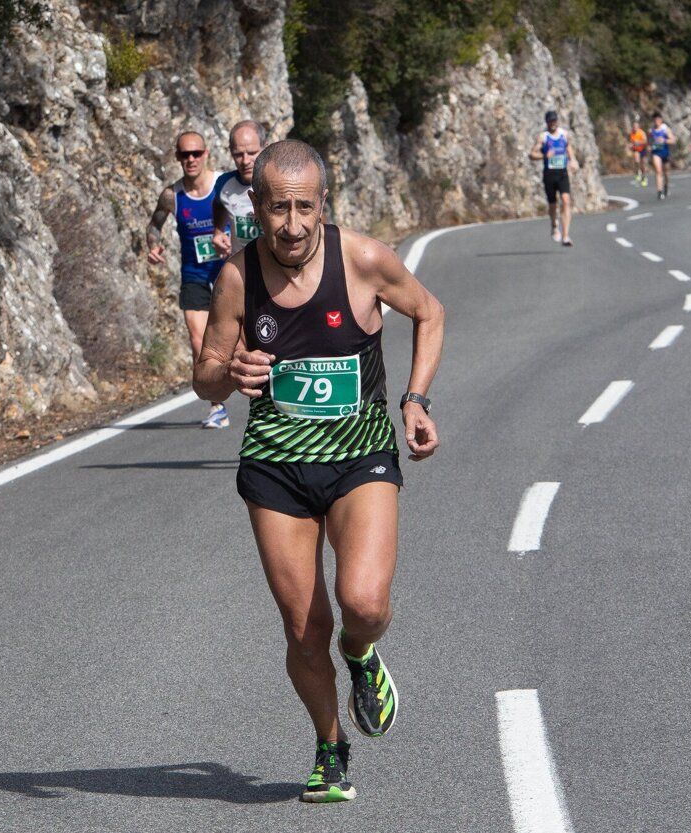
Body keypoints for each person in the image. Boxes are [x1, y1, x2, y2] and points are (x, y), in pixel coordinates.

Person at [192, 140, 444, 804]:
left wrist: (415, 400)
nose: (293, 225)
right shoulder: (239, 277)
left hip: (360, 453)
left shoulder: (362, 259)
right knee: (305, 624)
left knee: (363, 603)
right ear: (259, 209)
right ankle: (331, 747)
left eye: (305, 208)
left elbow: (430, 312)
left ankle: (363, 655)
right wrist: (230, 373)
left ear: (323, 205)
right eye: (279, 209)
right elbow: (206, 381)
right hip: (276, 464)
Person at [147, 129, 230, 428]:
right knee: (199, 341)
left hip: (230, 273)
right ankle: (217, 406)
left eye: (196, 153)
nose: (191, 159)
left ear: (206, 153)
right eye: (185, 154)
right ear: (177, 157)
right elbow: (154, 224)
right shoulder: (172, 195)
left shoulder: (224, 184)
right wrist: (153, 245)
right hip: (193, 274)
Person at [212, 120, 265, 258]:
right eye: (238, 154)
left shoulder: (284, 182)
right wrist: (218, 231)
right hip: (241, 268)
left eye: (252, 152)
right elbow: (218, 205)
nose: (245, 161)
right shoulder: (224, 184)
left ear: (265, 147)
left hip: (278, 271)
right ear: (230, 152)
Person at [528, 110, 579, 247]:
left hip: (562, 173)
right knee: (553, 205)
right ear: (547, 122)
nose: (553, 124)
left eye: (554, 121)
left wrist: (573, 160)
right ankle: (554, 225)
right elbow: (532, 154)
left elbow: (569, 148)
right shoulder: (543, 137)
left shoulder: (564, 134)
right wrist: (544, 156)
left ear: (557, 121)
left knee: (566, 200)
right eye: (550, 121)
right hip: (549, 175)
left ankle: (566, 236)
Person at [649, 112, 675, 199]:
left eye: (658, 119)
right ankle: (659, 191)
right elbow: (649, 142)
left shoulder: (665, 129)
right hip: (656, 153)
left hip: (665, 153)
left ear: (661, 120)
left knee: (666, 173)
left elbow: (673, 140)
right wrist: (649, 147)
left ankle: (666, 186)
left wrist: (664, 140)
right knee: (658, 171)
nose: (656, 121)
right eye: (655, 119)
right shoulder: (651, 130)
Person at [629, 120, 649, 186]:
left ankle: (644, 178)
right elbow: (631, 142)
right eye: (633, 126)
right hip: (636, 150)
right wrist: (631, 145)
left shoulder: (641, 133)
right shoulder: (631, 133)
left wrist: (639, 142)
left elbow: (645, 141)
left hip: (643, 149)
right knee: (636, 160)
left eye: (636, 126)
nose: (634, 128)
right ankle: (638, 172)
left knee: (643, 165)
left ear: (638, 127)